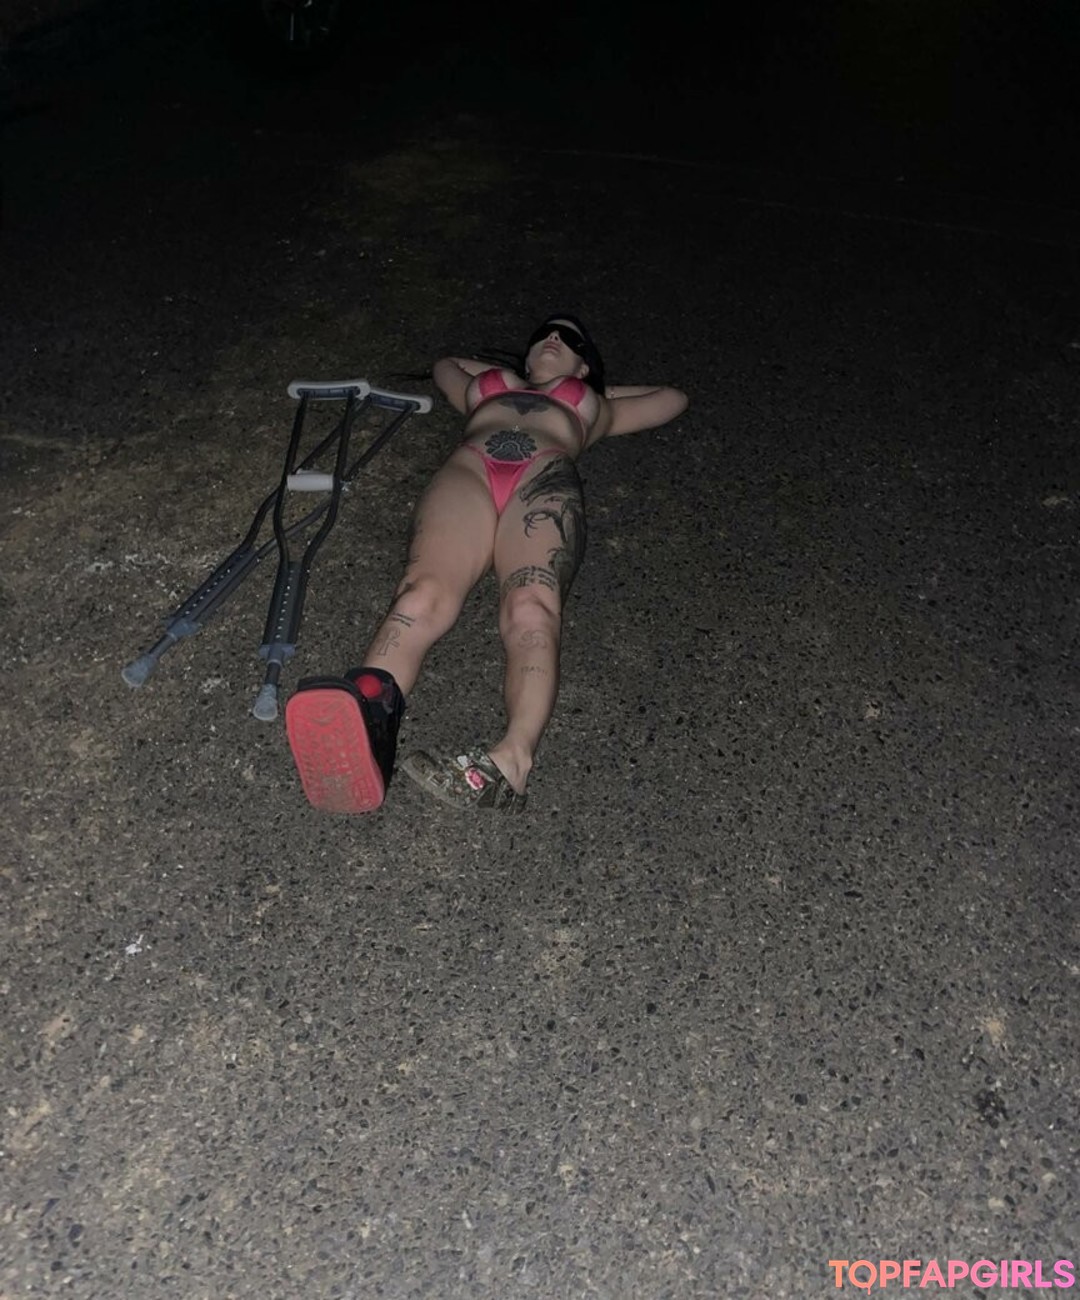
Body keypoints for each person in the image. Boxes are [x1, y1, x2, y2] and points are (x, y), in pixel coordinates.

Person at [284, 314, 688, 814]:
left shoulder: (598, 408)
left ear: (586, 364)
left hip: (543, 477)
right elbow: (445, 366)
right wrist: (516, 374)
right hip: (469, 470)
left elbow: (672, 398)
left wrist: (595, 388)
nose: (553, 338)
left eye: (569, 338)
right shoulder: (485, 389)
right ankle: (367, 720)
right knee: (420, 594)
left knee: (531, 607)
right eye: (543, 333)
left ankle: (512, 762)